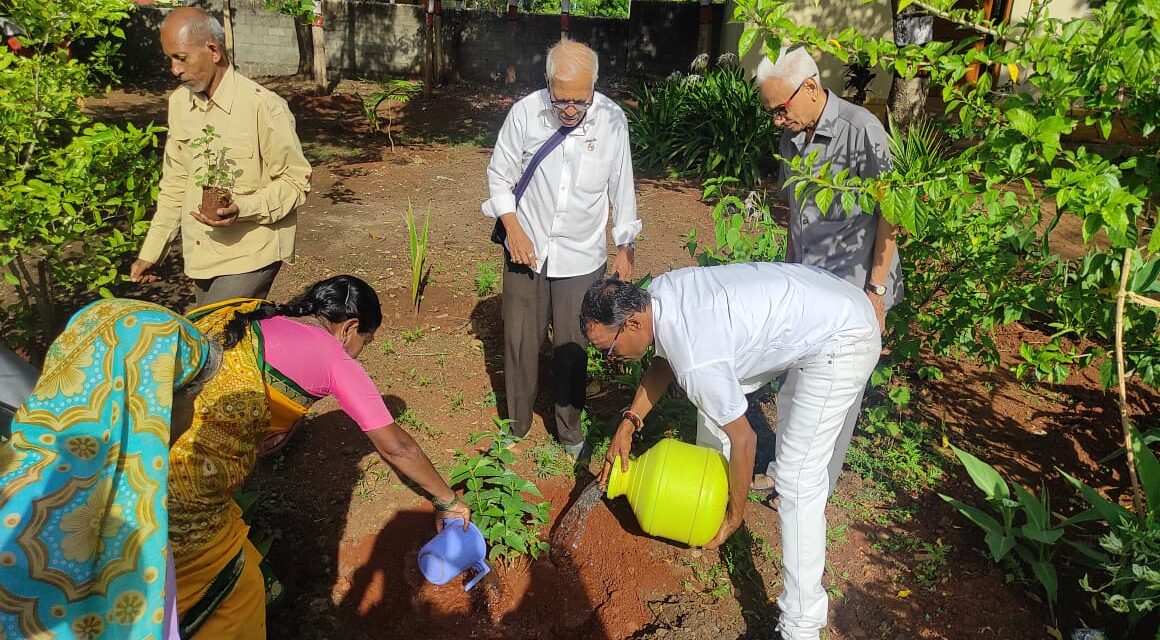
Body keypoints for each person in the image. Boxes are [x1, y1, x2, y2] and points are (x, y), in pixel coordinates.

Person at [583, 263, 880, 640]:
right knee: (713, 404)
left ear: (633, 323)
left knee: (798, 480)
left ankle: (801, 626)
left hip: (843, 338)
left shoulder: (696, 359)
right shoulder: (657, 294)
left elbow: (745, 439)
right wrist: (630, 420)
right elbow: (666, 359)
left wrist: (734, 516)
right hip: (822, 308)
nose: (610, 359)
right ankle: (703, 509)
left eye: (608, 349)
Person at [168, 275, 470, 638]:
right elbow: (398, 447)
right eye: (365, 342)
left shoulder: (259, 315)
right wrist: (447, 500)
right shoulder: (332, 357)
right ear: (350, 328)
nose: (360, 351)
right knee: (229, 604)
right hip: (183, 492)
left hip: (147, 446)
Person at [0, 298, 218, 640]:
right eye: (193, 398)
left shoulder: (28, 465)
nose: (193, 420)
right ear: (156, 404)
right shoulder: (127, 516)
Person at [750, 46, 902, 493]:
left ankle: (811, 488)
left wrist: (876, 291)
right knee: (794, 377)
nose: (777, 120)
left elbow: (892, 215)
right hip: (808, 281)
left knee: (835, 394)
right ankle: (784, 471)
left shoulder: (863, 131)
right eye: (772, 112)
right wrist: (788, 273)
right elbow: (797, 214)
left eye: (781, 109)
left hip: (854, 285)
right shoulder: (792, 135)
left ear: (811, 88)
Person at [481, 39, 640, 459]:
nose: (570, 110)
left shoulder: (611, 119)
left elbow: (622, 187)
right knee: (520, 339)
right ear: (548, 84)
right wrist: (513, 229)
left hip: (582, 254)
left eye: (580, 101)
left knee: (573, 344)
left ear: (594, 88)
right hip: (526, 246)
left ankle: (570, 430)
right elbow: (499, 175)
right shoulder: (525, 113)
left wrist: (625, 247)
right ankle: (516, 424)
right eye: (561, 100)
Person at [129, 6, 312, 307]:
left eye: (182, 58)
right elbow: (175, 183)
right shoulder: (179, 104)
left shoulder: (264, 106)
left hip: (252, 250)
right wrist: (153, 251)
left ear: (213, 51)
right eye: (170, 59)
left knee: (210, 330)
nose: (174, 70)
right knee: (218, 331)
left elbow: (295, 181)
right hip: (202, 252)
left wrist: (244, 208)